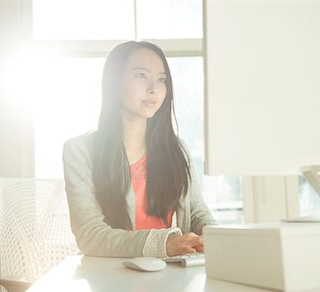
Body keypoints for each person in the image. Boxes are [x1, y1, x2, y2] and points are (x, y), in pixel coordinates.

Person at [62, 40, 216, 258]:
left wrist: (218, 238)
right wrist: (165, 244)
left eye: (162, 79)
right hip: (113, 280)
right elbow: (90, 235)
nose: (154, 88)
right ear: (115, 81)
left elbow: (197, 213)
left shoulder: (177, 150)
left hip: (177, 276)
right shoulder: (80, 151)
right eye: (141, 75)